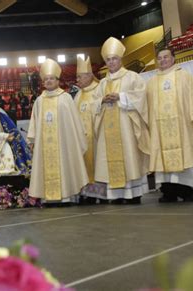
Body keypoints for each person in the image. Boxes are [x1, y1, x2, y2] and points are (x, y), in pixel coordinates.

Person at [147, 48, 193, 203]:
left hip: (183, 128)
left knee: (186, 157)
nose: (163, 60)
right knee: (164, 163)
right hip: (160, 131)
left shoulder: (185, 77)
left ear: (173, 58)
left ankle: (186, 191)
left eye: (166, 57)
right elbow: (146, 109)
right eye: (160, 58)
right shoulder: (151, 83)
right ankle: (168, 192)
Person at [92, 37, 150, 204]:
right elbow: (93, 104)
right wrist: (102, 100)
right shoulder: (102, 83)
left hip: (126, 128)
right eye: (108, 60)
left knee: (129, 157)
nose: (111, 63)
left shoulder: (132, 77)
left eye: (114, 59)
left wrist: (121, 97)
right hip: (108, 130)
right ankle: (116, 195)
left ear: (120, 59)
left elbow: (141, 97)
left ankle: (134, 194)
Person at [27, 58, 89, 204]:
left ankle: (66, 196)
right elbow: (34, 123)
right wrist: (32, 139)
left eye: (52, 78)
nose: (48, 81)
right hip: (44, 146)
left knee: (65, 161)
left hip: (64, 145)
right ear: (43, 81)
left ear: (58, 80)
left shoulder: (66, 98)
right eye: (46, 79)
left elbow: (74, 124)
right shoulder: (39, 101)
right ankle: (47, 198)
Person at [73, 56, 103, 203]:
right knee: (84, 166)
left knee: (99, 165)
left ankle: (101, 195)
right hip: (82, 139)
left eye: (80, 76)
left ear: (90, 75)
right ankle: (89, 195)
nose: (77, 80)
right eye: (77, 77)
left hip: (97, 137)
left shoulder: (99, 90)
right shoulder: (78, 95)